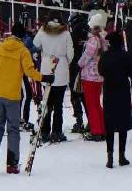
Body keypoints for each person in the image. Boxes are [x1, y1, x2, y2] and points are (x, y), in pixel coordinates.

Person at [0, 23, 52, 173]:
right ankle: (12, 164)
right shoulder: (23, 51)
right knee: (13, 129)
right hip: (13, 96)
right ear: (23, 36)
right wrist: (44, 77)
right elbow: (29, 72)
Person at [33, 15, 75, 143]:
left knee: (47, 103)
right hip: (61, 67)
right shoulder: (66, 34)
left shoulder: (43, 31)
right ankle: (56, 131)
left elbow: (36, 43)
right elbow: (70, 53)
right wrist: (66, 63)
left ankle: (45, 131)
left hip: (47, 67)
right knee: (58, 104)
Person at [99, 31, 132, 168]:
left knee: (109, 124)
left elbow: (100, 71)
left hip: (109, 90)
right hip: (122, 91)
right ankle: (122, 155)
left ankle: (110, 156)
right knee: (122, 124)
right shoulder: (125, 56)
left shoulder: (105, 56)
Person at [79, 13, 108, 141]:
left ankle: (96, 130)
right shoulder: (103, 40)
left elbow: (86, 57)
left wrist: (79, 63)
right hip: (99, 76)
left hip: (89, 77)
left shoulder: (93, 41)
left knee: (91, 105)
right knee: (96, 104)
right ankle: (103, 128)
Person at [68, 14, 89, 133]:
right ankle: (90, 120)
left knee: (75, 93)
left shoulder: (73, 34)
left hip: (75, 65)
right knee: (86, 95)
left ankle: (79, 120)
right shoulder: (88, 29)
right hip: (88, 67)